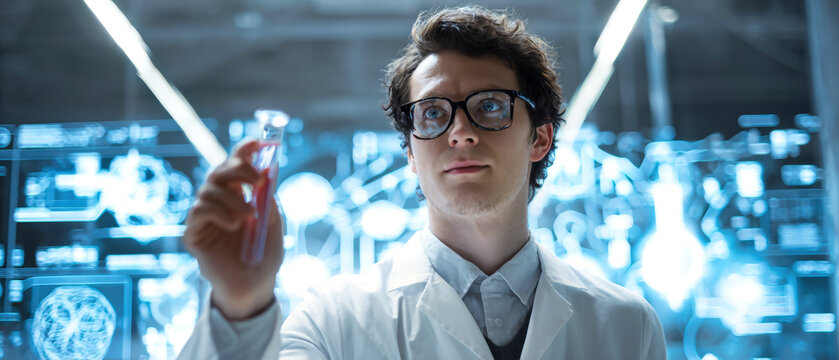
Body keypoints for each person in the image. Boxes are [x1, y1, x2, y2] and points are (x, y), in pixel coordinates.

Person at [179, 6, 666, 360]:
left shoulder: (625, 324)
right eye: (433, 113)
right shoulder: (335, 321)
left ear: (539, 138)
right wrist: (239, 305)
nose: (460, 132)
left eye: (491, 105)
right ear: (411, 151)